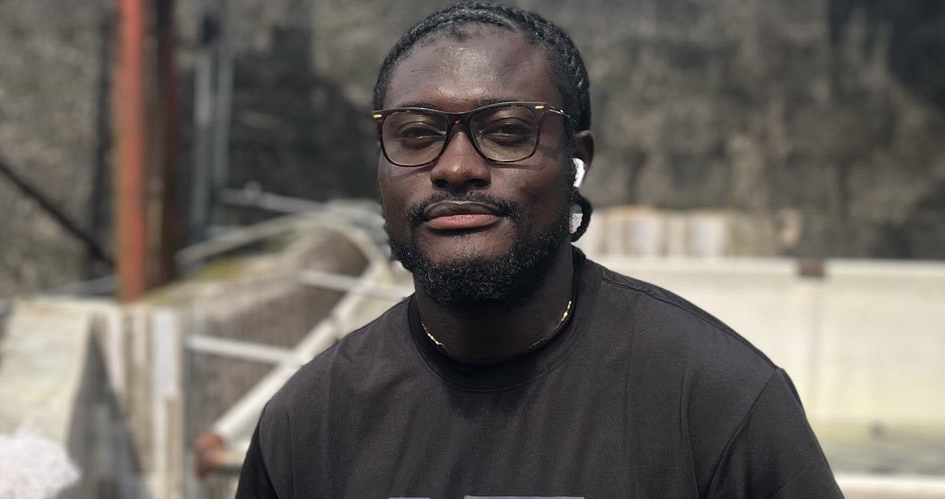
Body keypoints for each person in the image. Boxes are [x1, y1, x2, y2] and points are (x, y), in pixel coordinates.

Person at [235, 3, 843, 497]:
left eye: (506, 132)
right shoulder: (308, 423)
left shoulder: (717, 403)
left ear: (576, 161)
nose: (456, 167)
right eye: (416, 135)